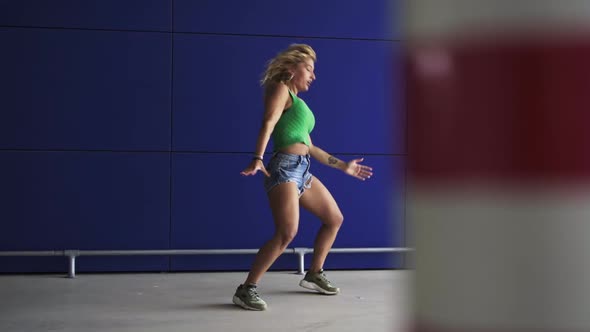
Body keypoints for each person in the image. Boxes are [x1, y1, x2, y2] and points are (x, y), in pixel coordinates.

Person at [233, 44, 373, 311]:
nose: (313, 75)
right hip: (284, 168)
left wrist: (343, 166)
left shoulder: (301, 105)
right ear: (290, 69)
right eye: (308, 69)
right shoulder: (281, 89)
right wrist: (258, 158)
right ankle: (246, 289)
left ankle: (314, 273)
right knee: (287, 233)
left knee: (334, 219)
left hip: (302, 168)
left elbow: (310, 147)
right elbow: (269, 122)